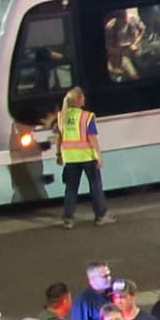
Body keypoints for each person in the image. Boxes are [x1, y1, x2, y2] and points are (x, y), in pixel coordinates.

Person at [54, 84, 104, 222]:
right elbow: (92, 138)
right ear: (79, 100)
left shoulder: (62, 117)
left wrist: (59, 155)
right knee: (95, 187)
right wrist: (99, 156)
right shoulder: (86, 117)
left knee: (70, 190)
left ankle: (68, 218)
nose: (85, 99)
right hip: (87, 157)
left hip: (70, 159)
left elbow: (59, 137)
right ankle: (100, 216)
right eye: (83, 97)